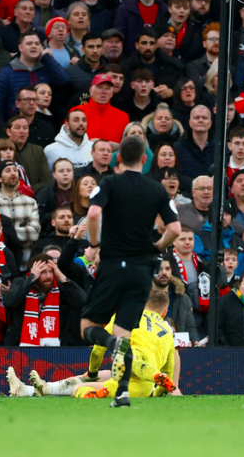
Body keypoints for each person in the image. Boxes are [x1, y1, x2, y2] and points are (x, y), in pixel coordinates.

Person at [80, 136, 181, 407]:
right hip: (141, 270)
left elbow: (92, 215)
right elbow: (174, 229)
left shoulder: (109, 183)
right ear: (145, 160)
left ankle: (113, 348)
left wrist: (93, 245)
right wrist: (155, 248)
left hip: (114, 265)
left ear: (119, 158)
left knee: (88, 327)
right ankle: (122, 393)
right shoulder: (157, 190)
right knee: (124, 333)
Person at [7, 288, 178, 398]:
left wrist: (92, 371)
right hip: (145, 385)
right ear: (165, 312)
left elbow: (98, 349)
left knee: (81, 386)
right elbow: (169, 371)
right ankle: (35, 389)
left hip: (132, 380)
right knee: (104, 374)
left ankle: (96, 392)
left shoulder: (126, 315)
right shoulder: (168, 333)